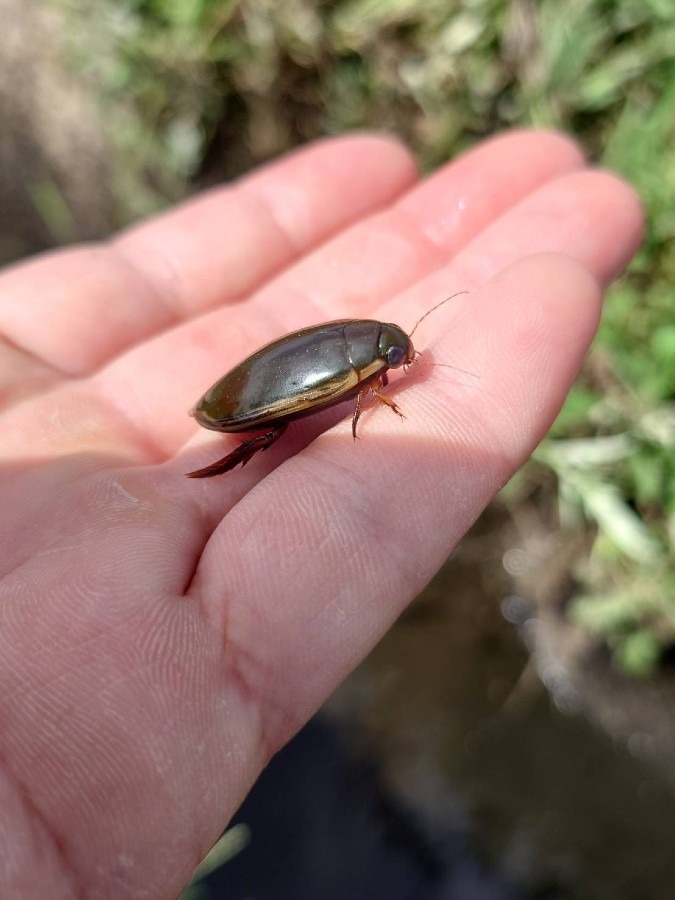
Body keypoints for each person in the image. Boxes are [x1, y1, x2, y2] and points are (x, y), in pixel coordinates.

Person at [0, 131, 642, 898]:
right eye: (390, 365)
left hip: (263, 379)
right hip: (250, 399)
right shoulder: (358, 367)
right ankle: (230, 452)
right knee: (271, 429)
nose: (398, 369)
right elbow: (325, 388)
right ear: (373, 363)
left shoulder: (363, 351)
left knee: (281, 425)